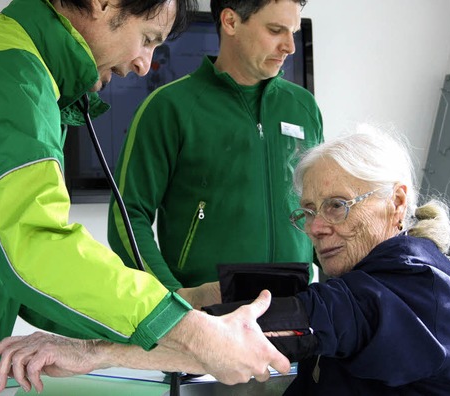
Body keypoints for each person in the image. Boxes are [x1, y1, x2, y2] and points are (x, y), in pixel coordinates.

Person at [0, 0, 291, 394]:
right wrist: (189, 331)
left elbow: (11, 264)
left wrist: (179, 308)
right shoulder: (7, 73)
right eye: (147, 39)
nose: (145, 66)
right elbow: (38, 244)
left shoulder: (20, 68)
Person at [0, 126, 450, 395]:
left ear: (396, 202)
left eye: (338, 206)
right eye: (309, 211)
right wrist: (191, 299)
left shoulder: (401, 289)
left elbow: (252, 336)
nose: (319, 227)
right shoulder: (392, 273)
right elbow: (286, 303)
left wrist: (90, 352)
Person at [107, 0, 323, 309]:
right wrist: (172, 298)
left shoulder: (303, 108)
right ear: (231, 22)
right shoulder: (169, 108)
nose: (290, 46)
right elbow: (126, 216)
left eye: (293, 32)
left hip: (293, 314)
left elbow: (323, 212)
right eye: (276, 30)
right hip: (206, 320)